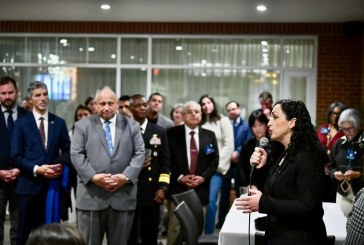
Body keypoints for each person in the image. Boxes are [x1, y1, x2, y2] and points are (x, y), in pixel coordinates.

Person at [236, 99, 328, 244]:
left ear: (292, 122)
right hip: (280, 235)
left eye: (275, 117)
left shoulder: (307, 156)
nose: (269, 123)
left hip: (300, 238)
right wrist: (262, 167)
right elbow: (276, 191)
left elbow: (308, 206)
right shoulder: (284, 153)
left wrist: (262, 202)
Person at [71, 86, 145, 245]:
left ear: (117, 104)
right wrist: (93, 177)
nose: (106, 107)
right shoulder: (82, 126)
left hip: (123, 196)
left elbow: (140, 154)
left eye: (110, 103)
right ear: (95, 105)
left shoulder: (132, 126)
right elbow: (76, 155)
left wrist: (125, 177)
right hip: (91, 197)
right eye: (102, 103)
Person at [11, 81, 71, 245]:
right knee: (22, 235)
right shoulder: (21, 124)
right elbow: (15, 156)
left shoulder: (58, 123)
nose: (43, 98)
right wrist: (38, 169)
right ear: (30, 99)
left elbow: (68, 151)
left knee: (49, 237)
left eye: (45, 94)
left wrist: (59, 164)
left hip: (51, 190)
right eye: (38, 95)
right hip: (28, 188)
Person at [166, 101, 219, 245]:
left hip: (200, 189)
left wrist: (203, 178)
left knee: (195, 229)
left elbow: (214, 161)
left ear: (201, 115)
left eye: (197, 112)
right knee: (175, 228)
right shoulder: (171, 134)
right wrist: (180, 178)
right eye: (190, 112)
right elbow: (166, 161)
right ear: (183, 115)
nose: (194, 114)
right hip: (178, 188)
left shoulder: (209, 135)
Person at [128, 94, 170, 245]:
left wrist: (163, 187)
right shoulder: (124, 130)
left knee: (150, 236)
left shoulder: (159, 131)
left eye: (144, 104)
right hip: (129, 190)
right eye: (138, 105)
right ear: (130, 108)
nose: (142, 108)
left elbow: (166, 164)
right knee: (130, 236)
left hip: (152, 192)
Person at [198, 95, 234, 234]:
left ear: (213, 104)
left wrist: (215, 163)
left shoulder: (222, 120)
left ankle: (208, 235)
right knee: (199, 203)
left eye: (208, 102)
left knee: (212, 202)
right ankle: (196, 234)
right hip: (200, 169)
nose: (206, 106)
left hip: (216, 169)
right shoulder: (199, 122)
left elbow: (229, 145)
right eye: (203, 103)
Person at [0, 76, 29, 245]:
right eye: (3, 93)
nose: (7, 96)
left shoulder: (28, 117)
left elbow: (33, 148)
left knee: (20, 227)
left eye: (10, 92)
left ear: (17, 93)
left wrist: (20, 169)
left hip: (22, 177)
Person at [217, 100, 252, 228]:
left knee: (240, 194)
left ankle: (240, 222)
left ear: (239, 109)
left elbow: (247, 142)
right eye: (229, 110)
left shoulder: (247, 125)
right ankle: (222, 222)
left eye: (233, 109)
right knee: (224, 195)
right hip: (226, 164)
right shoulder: (224, 124)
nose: (231, 112)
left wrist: (237, 152)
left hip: (239, 165)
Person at [329, 108, 364, 217]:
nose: (348, 132)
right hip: (342, 193)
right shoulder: (339, 144)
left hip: (361, 195)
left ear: (358, 125)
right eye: (344, 129)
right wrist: (334, 173)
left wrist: (359, 174)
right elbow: (330, 167)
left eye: (351, 128)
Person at [317, 101, 346, 202]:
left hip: (335, 172)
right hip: (319, 171)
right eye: (333, 113)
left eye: (339, 114)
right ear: (329, 114)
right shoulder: (322, 128)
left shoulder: (344, 132)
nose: (335, 116)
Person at [238, 110, 270, 191]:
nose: (257, 128)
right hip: (252, 185)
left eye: (260, 124)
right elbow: (241, 167)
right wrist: (248, 184)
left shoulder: (274, 143)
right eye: (254, 126)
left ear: (266, 125)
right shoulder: (247, 144)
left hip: (269, 185)